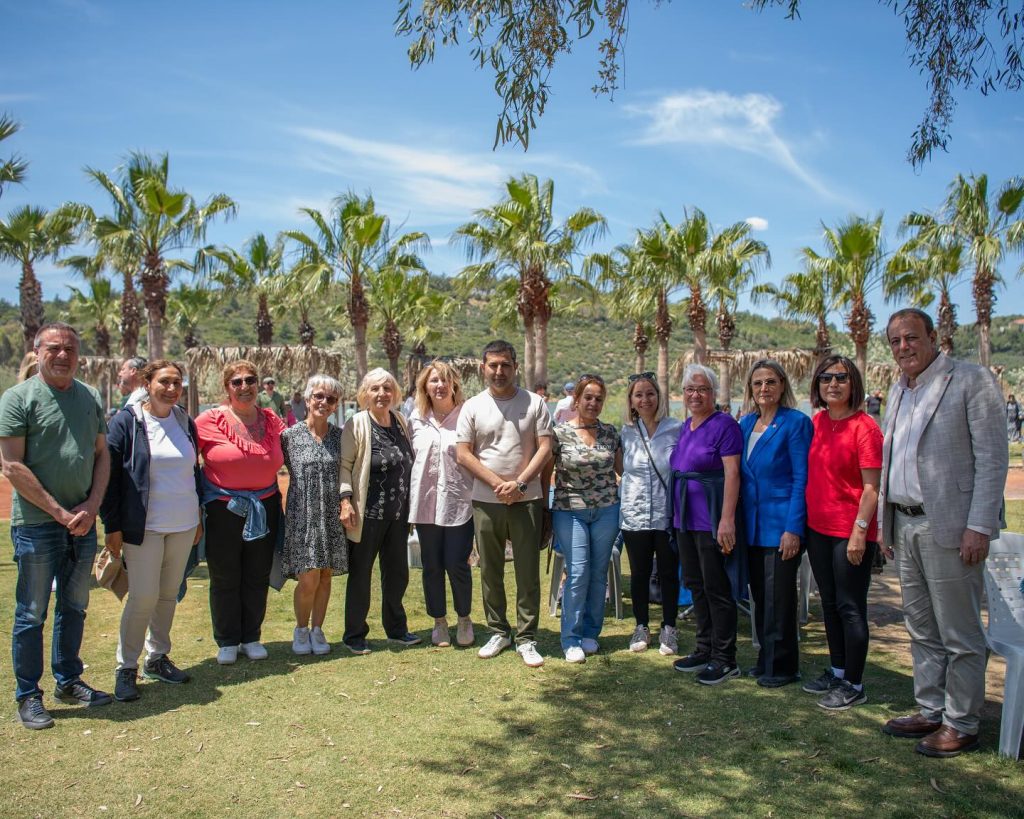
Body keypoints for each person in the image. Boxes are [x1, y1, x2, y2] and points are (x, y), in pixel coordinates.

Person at [880, 308, 1007, 757]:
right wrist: (885, 524)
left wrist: (979, 525)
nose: (903, 347)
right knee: (920, 626)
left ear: (933, 337)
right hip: (904, 522)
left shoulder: (971, 380)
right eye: (895, 341)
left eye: (911, 337)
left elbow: (992, 458)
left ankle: (962, 722)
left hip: (950, 525)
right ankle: (931, 709)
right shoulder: (897, 390)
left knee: (959, 632)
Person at [0, 322, 112, 729]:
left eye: (70, 349)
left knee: (75, 606)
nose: (63, 355)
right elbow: (12, 465)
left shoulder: (90, 396)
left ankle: (68, 680)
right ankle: (28, 694)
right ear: (38, 352)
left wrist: (92, 506)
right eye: (54, 348)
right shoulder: (18, 398)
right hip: (37, 525)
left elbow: (102, 454)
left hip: (83, 522)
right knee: (32, 613)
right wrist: (61, 514)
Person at [100, 360, 203, 702]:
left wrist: (198, 516)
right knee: (143, 596)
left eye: (177, 382)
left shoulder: (184, 420)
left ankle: (157, 658)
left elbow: (193, 471)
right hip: (143, 526)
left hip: (183, 523)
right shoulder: (127, 422)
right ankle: (126, 667)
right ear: (147, 383)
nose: (171, 389)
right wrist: (112, 526)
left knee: (168, 594)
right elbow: (110, 477)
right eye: (164, 382)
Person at [456, 340, 553, 668]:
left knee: (527, 571)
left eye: (505, 365)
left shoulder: (535, 403)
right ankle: (499, 631)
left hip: (528, 499)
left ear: (515, 367)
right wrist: (498, 483)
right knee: (490, 569)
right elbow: (463, 453)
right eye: (493, 365)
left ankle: (526, 637)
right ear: (483, 367)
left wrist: (520, 483)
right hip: (487, 500)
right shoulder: (472, 406)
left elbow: (545, 448)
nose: (499, 371)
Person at [802, 354, 882, 711]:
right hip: (818, 529)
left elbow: (871, 489)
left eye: (841, 378)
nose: (833, 384)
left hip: (850, 531)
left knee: (851, 606)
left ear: (854, 385)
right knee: (830, 603)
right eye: (826, 378)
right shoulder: (818, 422)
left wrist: (860, 533)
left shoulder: (865, 427)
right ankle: (837, 671)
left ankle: (854, 683)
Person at [195, 360, 286, 664]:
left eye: (250, 380)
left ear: (258, 384)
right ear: (227, 387)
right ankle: (227, 640)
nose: (244, 387)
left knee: (257, 572)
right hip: (223, 509)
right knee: (225, 573)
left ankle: (251, 637)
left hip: (265, 505)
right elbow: (186, 460)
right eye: (237, 382)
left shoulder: (272, 421)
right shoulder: (208, 421)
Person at [738, 359, 812, 688]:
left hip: (781, 525)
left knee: (779, 599)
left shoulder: (796, 423)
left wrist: (793, 528)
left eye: (770, 382)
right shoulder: (745, 424)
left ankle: (783, 666)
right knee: (760, 596)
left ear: (782, 385)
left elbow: (801, 479)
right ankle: (765, 658)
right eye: (757, 383)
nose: (764, 388)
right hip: (752, 527)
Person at [669, 364, 743, 685]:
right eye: (690, 389)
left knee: (717, 587)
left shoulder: (725, 425)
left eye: (702, 389)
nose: (695, 395)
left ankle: (725, 658)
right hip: (684, 519)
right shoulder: (686, 426)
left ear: (713, 393)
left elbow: (732, 474)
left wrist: (727, 520)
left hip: (711, 519)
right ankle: (704, 648)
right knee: (696, 584)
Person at [340, 368, 419, 653]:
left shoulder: (400, 420)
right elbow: (344, 466)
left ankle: (397, 629)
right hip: (367, 514)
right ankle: (354, 635)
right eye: (375, 388)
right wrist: (345, 501)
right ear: (365, 393)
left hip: (398, 514)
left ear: (395, 393)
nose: (382, 394)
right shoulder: (357, 424)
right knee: (361, 575)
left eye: (387, 388)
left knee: (397, 574)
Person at [543, 374, 622, 663]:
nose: (593, 403)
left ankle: (591, 632)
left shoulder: (611, 433)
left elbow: (622, 471)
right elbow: (546, 474)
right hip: (570, 510)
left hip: (606, 511)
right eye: (588, 397)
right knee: (578, 571)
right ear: (576, 399)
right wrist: (543, 509)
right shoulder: (559, 433)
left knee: (598, 573)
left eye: (599, 398)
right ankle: (571, 638)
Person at [408, 361, 476, 648]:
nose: (440, 385)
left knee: (457, 563)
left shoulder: (467, 416)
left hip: (459, 503)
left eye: (445, 380)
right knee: (432, 565)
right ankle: (439, 621)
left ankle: (464, 618)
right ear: (425, 386)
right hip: (425, 505)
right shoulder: (415, 418)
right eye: (434, 380)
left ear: (454, 385)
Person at [281, 375, 349, 656]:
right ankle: (300, 629)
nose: (324, 402)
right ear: (307, 400)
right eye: (318, 396)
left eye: (331, 399)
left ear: (336, 405)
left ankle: (317, 630)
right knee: (308, 578)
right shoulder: (289, 437)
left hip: (332, 515)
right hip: (303, 517)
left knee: (325, 576)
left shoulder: (341, 437)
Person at [619, 372, 682, 655]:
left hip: (667, 515)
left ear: (659, 396)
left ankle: (669, 627)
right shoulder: (625, 432)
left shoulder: (676, 429)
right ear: (631, 401)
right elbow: (621, 468)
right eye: (639, 395)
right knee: (639, 573)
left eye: (650, 393)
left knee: (669, 572)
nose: (645, 399)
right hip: (634, 515)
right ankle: (641, 625)